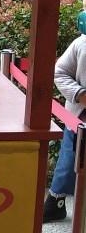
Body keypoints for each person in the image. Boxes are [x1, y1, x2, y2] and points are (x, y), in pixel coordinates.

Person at [43, 30, 86, 222]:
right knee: (69, 158)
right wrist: (79, 94)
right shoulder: (81, 43)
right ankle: (56, 203)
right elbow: (59, 72)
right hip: (80, 114)